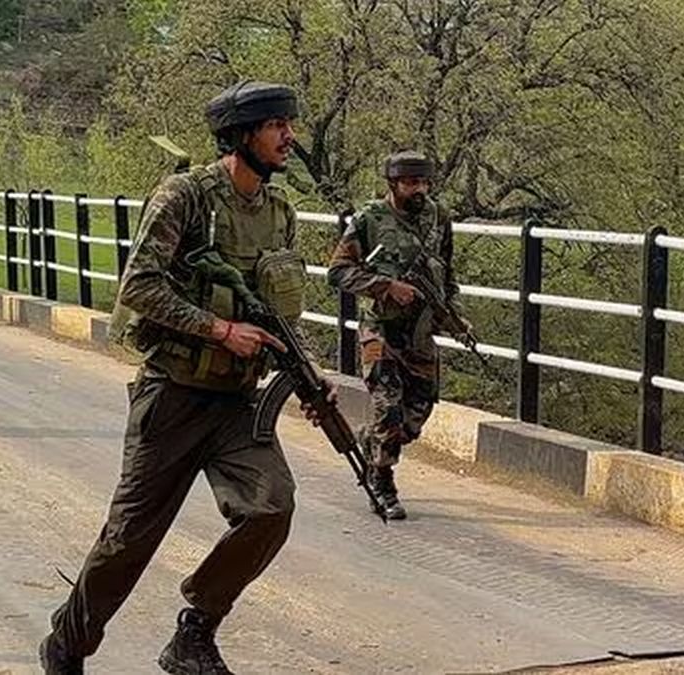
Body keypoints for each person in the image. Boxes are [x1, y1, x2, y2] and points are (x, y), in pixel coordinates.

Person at [40, 81, 330, 674]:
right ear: (242, 135)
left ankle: (194, 632)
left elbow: (277, 313)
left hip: (238, 403)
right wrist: (219, 330)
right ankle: (68, 643)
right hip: (172, 396)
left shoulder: (279, 213)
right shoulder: (186, 197)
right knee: (129, 540)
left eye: (288, 124)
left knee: (271, 508)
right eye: (277, 126)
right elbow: (139, 286)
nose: (289, 137)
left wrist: (308, 369)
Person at [327, 150, 466, 520]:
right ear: (393, 184)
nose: (419, 190)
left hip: (419, 334)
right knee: (388, 409)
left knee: (417, 413)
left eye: (424, 182)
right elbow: (338, 272)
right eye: (410, 183)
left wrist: (452, 314)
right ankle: (383, 483)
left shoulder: (438, 218)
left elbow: (447, 271)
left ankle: (370, 440)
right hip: (381, 330)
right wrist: (386, 286)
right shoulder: (370, 219)